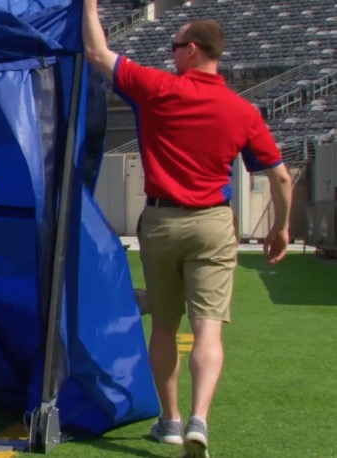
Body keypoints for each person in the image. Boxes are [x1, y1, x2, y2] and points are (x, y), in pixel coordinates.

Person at [81, 3, 293, 458]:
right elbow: (280, 177)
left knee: (163, 324)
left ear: (192, 50)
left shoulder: (159, 88)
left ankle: (170, 420)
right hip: (215, 221)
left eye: (174, 47)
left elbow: (97, 52)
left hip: (160, 220)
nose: (169, 54)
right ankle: (200, 419)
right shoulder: (242, 111)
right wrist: (280, 227)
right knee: (208, 329)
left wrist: (89, 4)